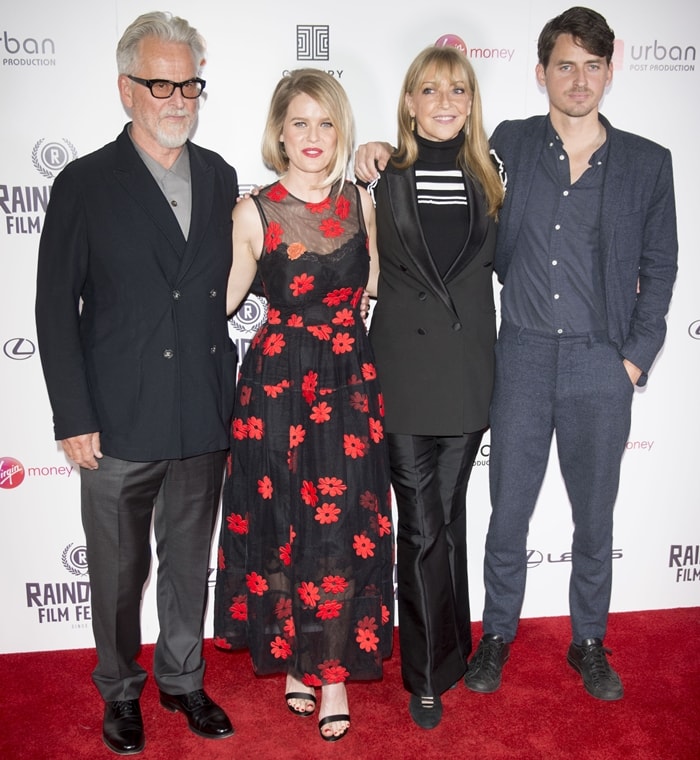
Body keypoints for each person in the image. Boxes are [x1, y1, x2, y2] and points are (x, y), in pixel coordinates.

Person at [357, 5, 678, 703]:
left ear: (610, 70)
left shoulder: (649, 165)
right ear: (541, 73)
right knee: (508, 514)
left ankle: (588, 640)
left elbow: (661, 266)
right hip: (522, 358)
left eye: (593, 65)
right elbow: (434, 173)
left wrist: (634, 359)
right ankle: (496, 635)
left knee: (596, 518)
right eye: (565, 64)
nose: (579, 79)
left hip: (602, 363)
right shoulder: (509, 146)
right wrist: (373, 153)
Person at [35, 12, 237, 755]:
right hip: (115, 419)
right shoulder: (84, 182)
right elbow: (54, 309)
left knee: (188, 564)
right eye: (161, 82)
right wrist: (72, 414)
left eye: (189, 83)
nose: (178, 97)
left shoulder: (219, 174)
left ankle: (183, 681)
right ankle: (120, 690)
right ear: (127, 89)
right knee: (119, 575)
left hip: (201, 414)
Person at [212, 68, 394, 743]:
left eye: (325, 122)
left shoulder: (361, 202)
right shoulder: (252, 211)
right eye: (299, 123)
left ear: (339, 129)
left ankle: (336, 672)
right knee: (284, 519)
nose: (313, 136)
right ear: (279, 132)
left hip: (348, 384)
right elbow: (222, 299)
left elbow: (374, 287)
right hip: (277, 388)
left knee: (347, 528)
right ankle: (294, 657)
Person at [357, 45, 503, 729]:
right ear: (410, 102)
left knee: (447, 520)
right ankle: (425, 674)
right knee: (419, 529)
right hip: (405, 378)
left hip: (469, 375)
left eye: (457, 90)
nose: (445, 101)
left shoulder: (494, 174)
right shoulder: (383, 173)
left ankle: (456, 648)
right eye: (429, 90)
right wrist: (364, 160)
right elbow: (367, 262)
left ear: (471, 103)